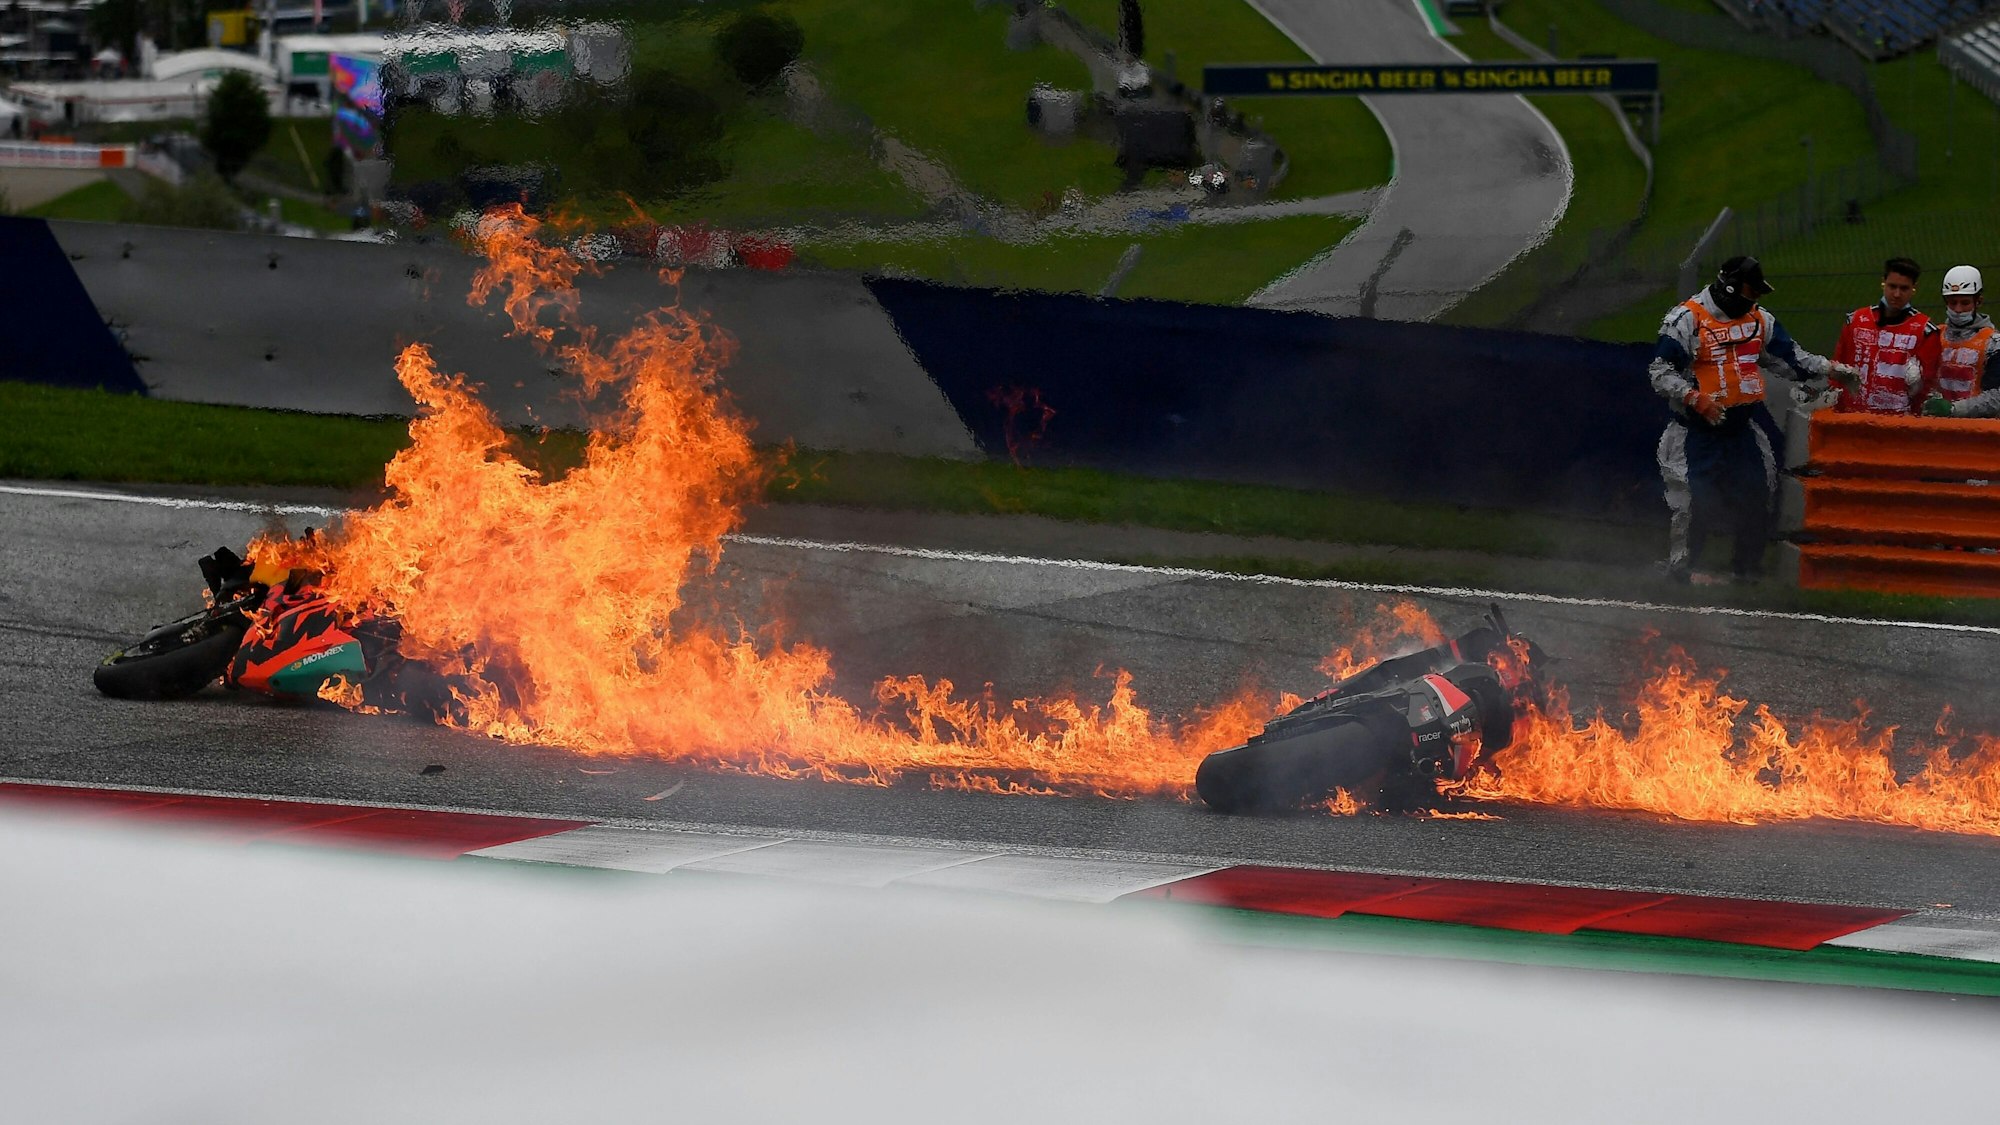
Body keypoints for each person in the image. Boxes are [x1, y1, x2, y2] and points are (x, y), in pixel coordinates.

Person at [1649, 256, 1862, 584]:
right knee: (1694, 502)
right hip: (1694, 432)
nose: (1756, 299)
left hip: (1740, 429)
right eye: (1752, 292)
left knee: (1758, 492)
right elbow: (1659, 372)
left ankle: (1745, 570)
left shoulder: (1760, 321)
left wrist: (1832, 370)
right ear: (1731, 289)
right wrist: (1695, 398)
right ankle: (1681, 570)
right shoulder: (1686, 319)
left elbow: (1792, 360)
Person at [1832, 256, 1933, 414]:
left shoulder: (1925, 331)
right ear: (1883, 282)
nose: (1897, 294)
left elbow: (1927, 387)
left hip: (1898, 424)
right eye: (1892, 286)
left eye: (1904, 288)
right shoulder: (1856, 321)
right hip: (1852, 418)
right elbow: (1837, 370)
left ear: (1914, 287)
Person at [1920, 266, 2000, 417]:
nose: (1958, 309)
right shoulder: (1934, 336)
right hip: (1936, 428)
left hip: (1976, 431)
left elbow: (1997, 398)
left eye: (1965, 303)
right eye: (1952, 302)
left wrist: (1954, 409)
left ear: (1978, 301)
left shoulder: (1993, 343)